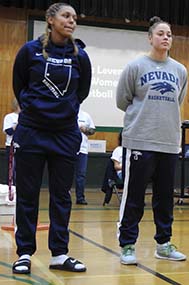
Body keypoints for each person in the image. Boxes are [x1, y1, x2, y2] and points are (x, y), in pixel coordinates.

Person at [11, 2, 91, 274]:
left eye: (74, 18)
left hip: (65, 135)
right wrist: (36, 110)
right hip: (32, 133)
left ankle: (59, 253)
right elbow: (19, 85)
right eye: (66, 16)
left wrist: (63, 112)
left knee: (61, 196)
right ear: (50, 19)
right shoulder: (29, 51)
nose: (72, 21)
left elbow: (82, 92)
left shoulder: (81, 56)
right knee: (28, 196)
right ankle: (24, 253)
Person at [116, 16, 187, 265]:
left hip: (168, 142)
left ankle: (164, 244)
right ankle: (127, 245)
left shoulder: (180, 70)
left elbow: (177, 102)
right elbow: (122, 101)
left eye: (169, 33)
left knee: (164, 197)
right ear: (150, 38)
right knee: (134, 196)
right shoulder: (136, 66)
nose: (165, 37)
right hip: (140, 140)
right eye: (160, 33)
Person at [74, 109, 95, 205]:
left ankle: (80, 198)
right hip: (68, 149)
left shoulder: (85, 115)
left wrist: (85, 130)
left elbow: (92, 130)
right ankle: (63, 196)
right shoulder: (67, 112)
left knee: (81, 175)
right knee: (65, 174)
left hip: (82, 149)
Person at [2, 98, 20, 185]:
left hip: (23, 146)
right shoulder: (9, 117)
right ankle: (11, 188)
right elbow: (8, 131)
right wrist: (16, 126)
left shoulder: (27, 117)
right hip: (11, 146)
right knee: (11, 169)